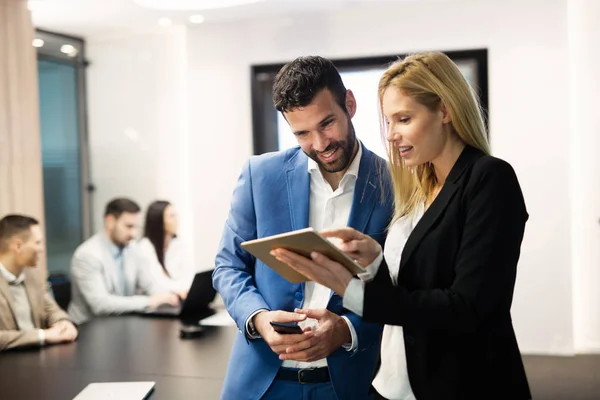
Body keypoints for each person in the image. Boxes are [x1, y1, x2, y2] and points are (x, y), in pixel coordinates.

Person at [272, 52, 532, 400]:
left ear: (444, 110)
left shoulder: (489, 179)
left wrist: (351, 290)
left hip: (462, 383)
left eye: (403, 119)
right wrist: (373, 262)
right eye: (388, 122)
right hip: (394, 383)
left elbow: (466, 308)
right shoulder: (418, 186)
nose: (391, 135)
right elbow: (410, 287)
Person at [213, 56, 394, 400]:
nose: (321, 143)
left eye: (327, 124)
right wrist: (258, 318)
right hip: (259, 384)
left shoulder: (395, 186)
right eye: (302, 133)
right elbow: (228, 266)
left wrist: (346, 331)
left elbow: (402, 291)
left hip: (347, 385)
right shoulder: (260, 175)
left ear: (350, 105)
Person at [68, 198, 180, 325]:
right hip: (88, 330)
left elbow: (150, 286)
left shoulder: (132, 248)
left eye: (136, 227)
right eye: (129, 226)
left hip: (120, 324)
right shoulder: (86, 255)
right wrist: (149, 301)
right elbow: (100, 305)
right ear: (110, 221)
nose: (133, 234)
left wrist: (168, 296)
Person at [0, 215, 78, 351]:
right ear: (17, 246)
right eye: (37, 243)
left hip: (37, 358)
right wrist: (42, 335)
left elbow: (50, 308)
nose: (41, 249)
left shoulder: (34, 274)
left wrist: (63, 323)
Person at [138, 201, 194, 297]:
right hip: (160, 301)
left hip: (180, 296)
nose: (176, 219)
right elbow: (157, 284)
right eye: (171, 216)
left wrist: (184, 289)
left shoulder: (178, 243)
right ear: (158, 221)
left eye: (176, 215)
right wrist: (179, 289)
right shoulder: (145, 247)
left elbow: (189, 276)